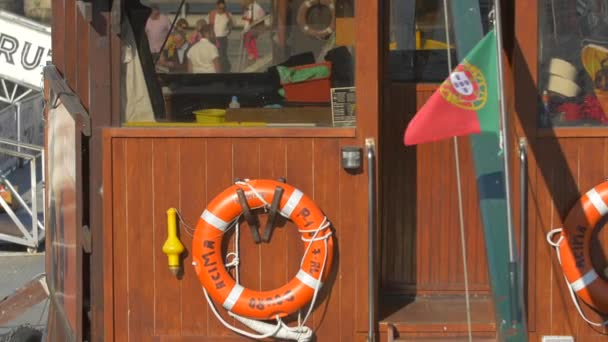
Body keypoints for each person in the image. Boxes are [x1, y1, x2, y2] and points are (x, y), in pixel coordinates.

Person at [209, 0, 233, 71]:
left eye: (223, 8)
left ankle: (225, 69)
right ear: (217, 7)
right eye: (220, 8)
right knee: (215, 54)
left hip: (223, 38)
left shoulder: (228, 14)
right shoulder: (212, 14)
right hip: (214, 37)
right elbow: (209, 25)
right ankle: (217, 69)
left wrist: (228, 31)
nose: (221, 10)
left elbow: (231, 24)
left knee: (223, 55)